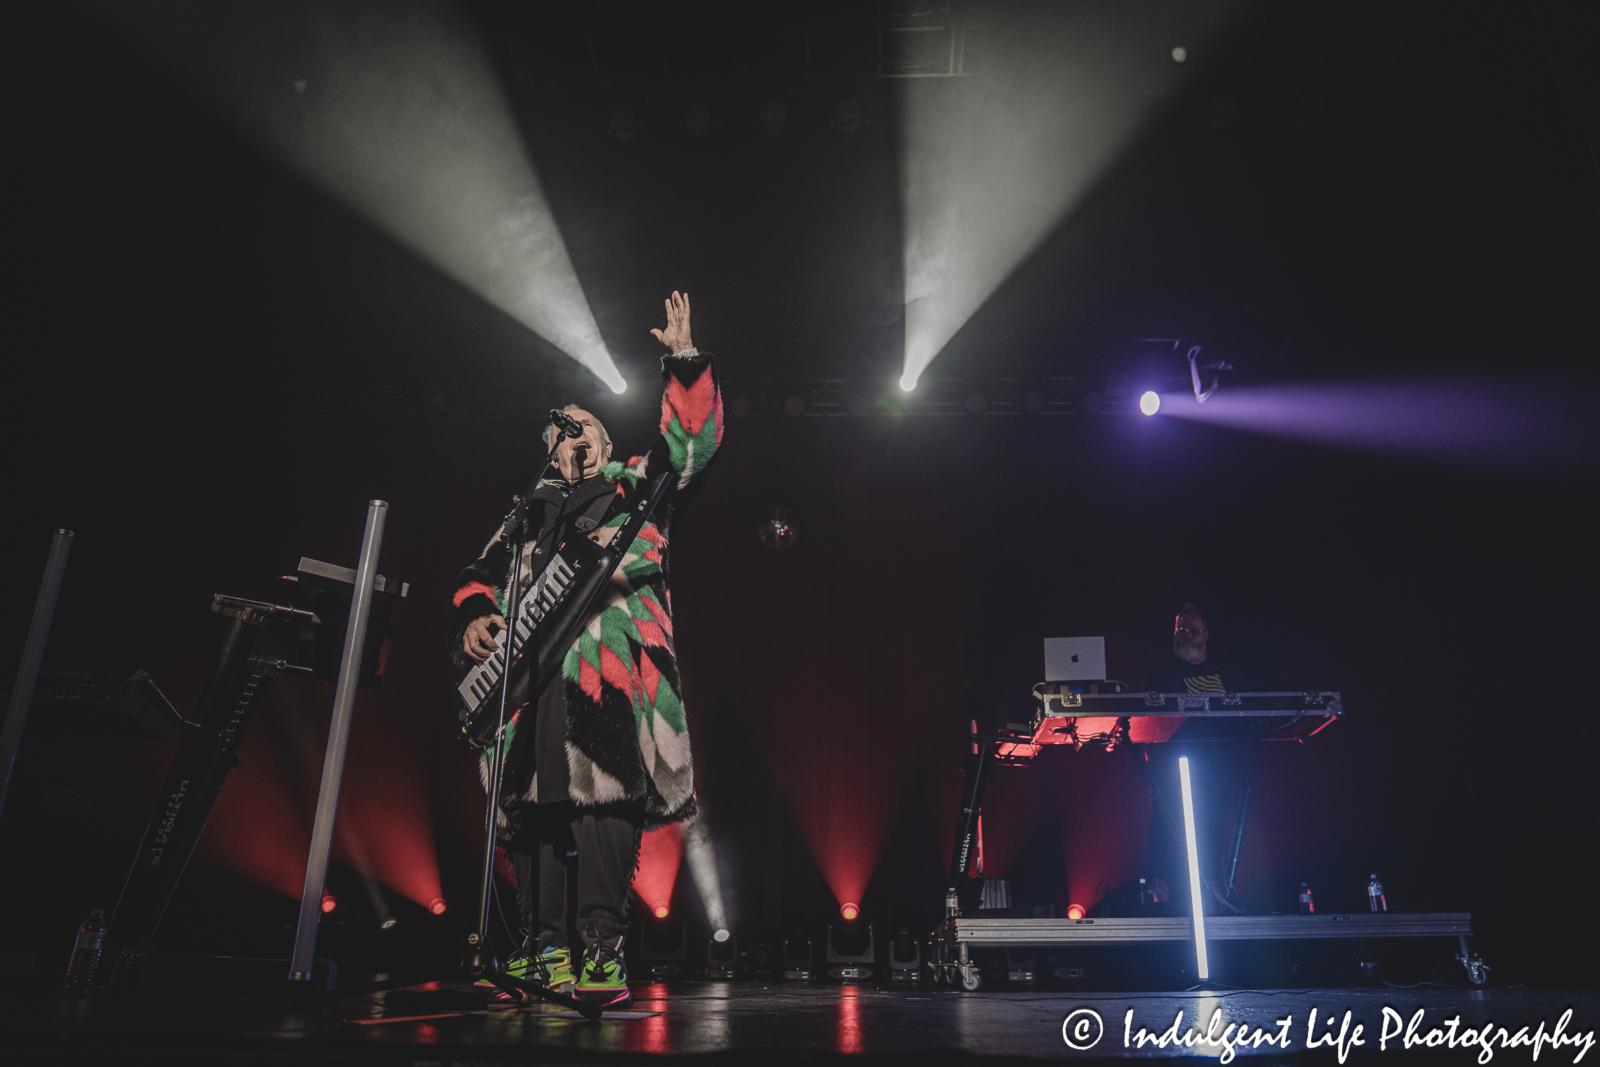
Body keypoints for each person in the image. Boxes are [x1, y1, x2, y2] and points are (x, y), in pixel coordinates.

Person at [449, 291, 720, 1008]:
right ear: (552, 453)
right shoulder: (529, 513)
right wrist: (477, 619)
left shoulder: (638, 488)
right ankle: (542, 946)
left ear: (602, 440)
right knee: (531, 807)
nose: (578, 436)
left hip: (609, 668)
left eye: (588, 426)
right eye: (565, 433)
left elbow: (691, 447)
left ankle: (602, 943)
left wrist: (684, 363)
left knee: (604, 802)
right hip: (531, 680)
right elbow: (479, 578)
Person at [1142, 602, 1235, 694]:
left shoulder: (1224, 668)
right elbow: (1142, 706)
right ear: (1175, 633)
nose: (1188, 636)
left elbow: (1247, 702)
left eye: (1194, 631)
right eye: (1182, 630)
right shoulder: (1160, 670)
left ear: (1205, 636)